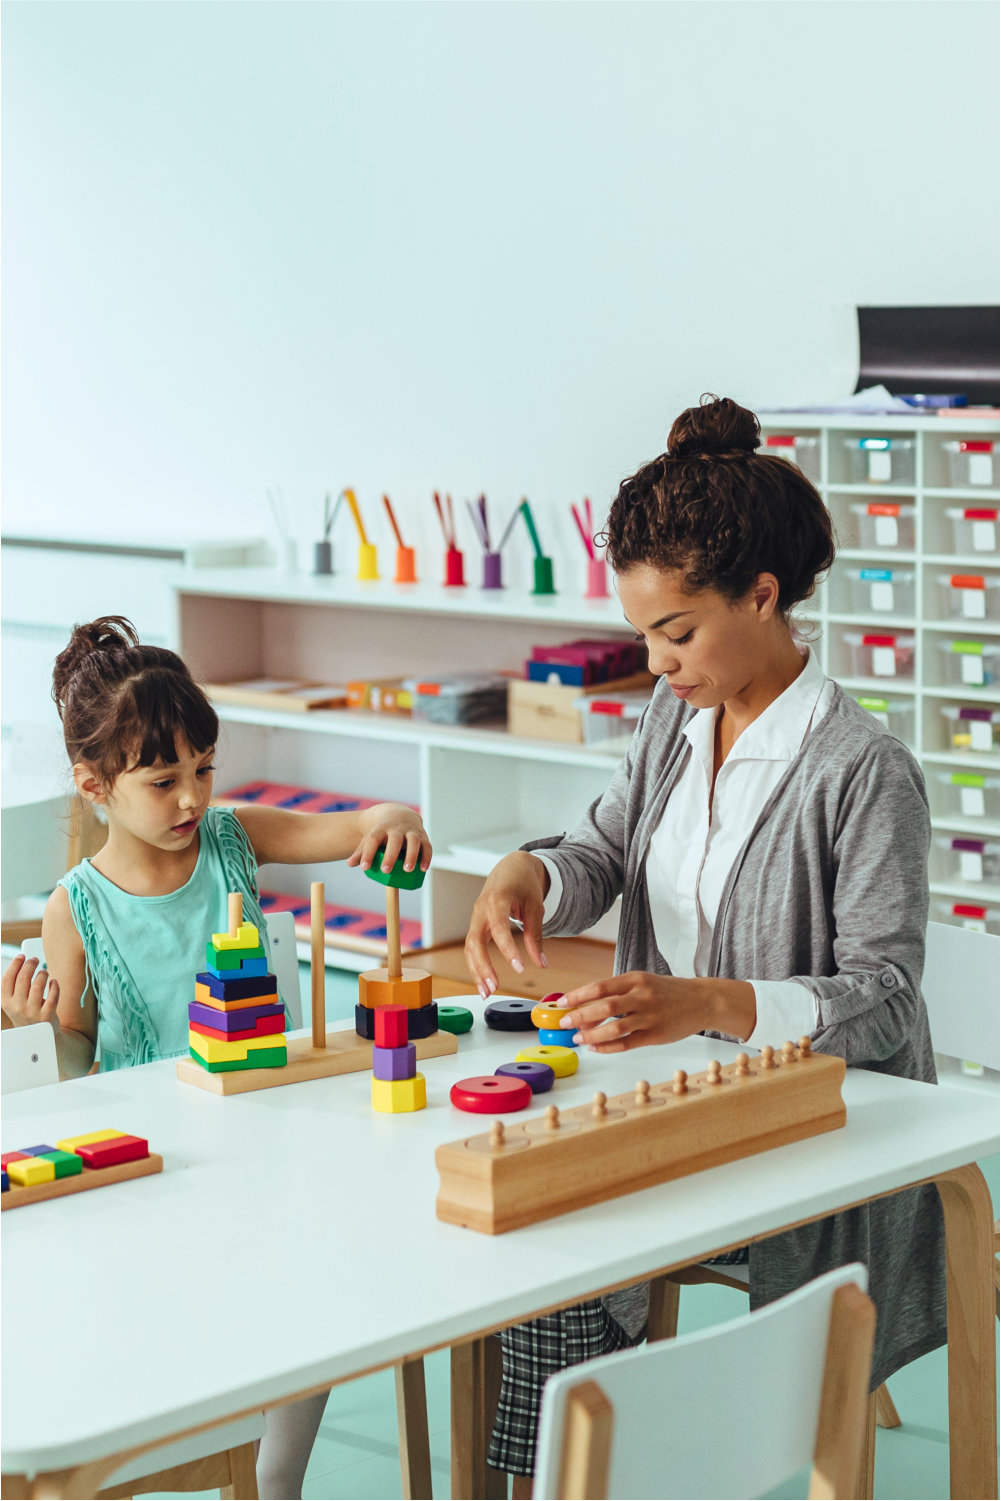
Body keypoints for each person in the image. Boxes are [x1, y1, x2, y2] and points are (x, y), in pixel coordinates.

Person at [464, 395, 945, 1491]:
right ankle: (552, 1477)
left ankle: (623, 1465)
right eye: (642, 635)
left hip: (811, 1124)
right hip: (684, 1093)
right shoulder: (671, 722)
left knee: (568, 1225)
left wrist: (712, 1002)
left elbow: (885, 995)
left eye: (674, 634)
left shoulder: (859, 770)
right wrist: (526, 873)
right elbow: (604, 847)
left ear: (761, 597)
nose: (654, 661)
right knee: (532, 1216)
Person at [1, 615, 431, 1500]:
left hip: (263, 1132)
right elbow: (80, 1056)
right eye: (164, 780)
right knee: (179, 1319)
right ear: (95, 786)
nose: (192, 796)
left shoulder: (232, 841)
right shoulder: (73, 906)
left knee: (321, 1284)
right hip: (154, 1158)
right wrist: (32, 1033)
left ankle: (275, 1478)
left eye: (204, 768)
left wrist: (385, 816)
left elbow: (344, 832)